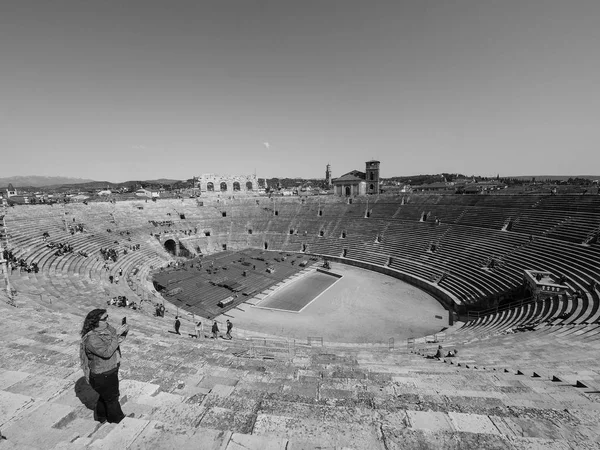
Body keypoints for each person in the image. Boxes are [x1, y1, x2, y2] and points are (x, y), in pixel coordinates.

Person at [80, 309, 130, 424]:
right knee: (112, 398)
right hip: (103, 374)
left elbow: (115, 341)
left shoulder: (106, 328)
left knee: (105, 395)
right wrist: (116, 335)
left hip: (110, 368)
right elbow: (106, 352)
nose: (108, 320)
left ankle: (100, 416)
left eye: (107, 317)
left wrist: (124, 331)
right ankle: (118, 420)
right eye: (104, 318)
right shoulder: (91, 339)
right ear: (95, 322)